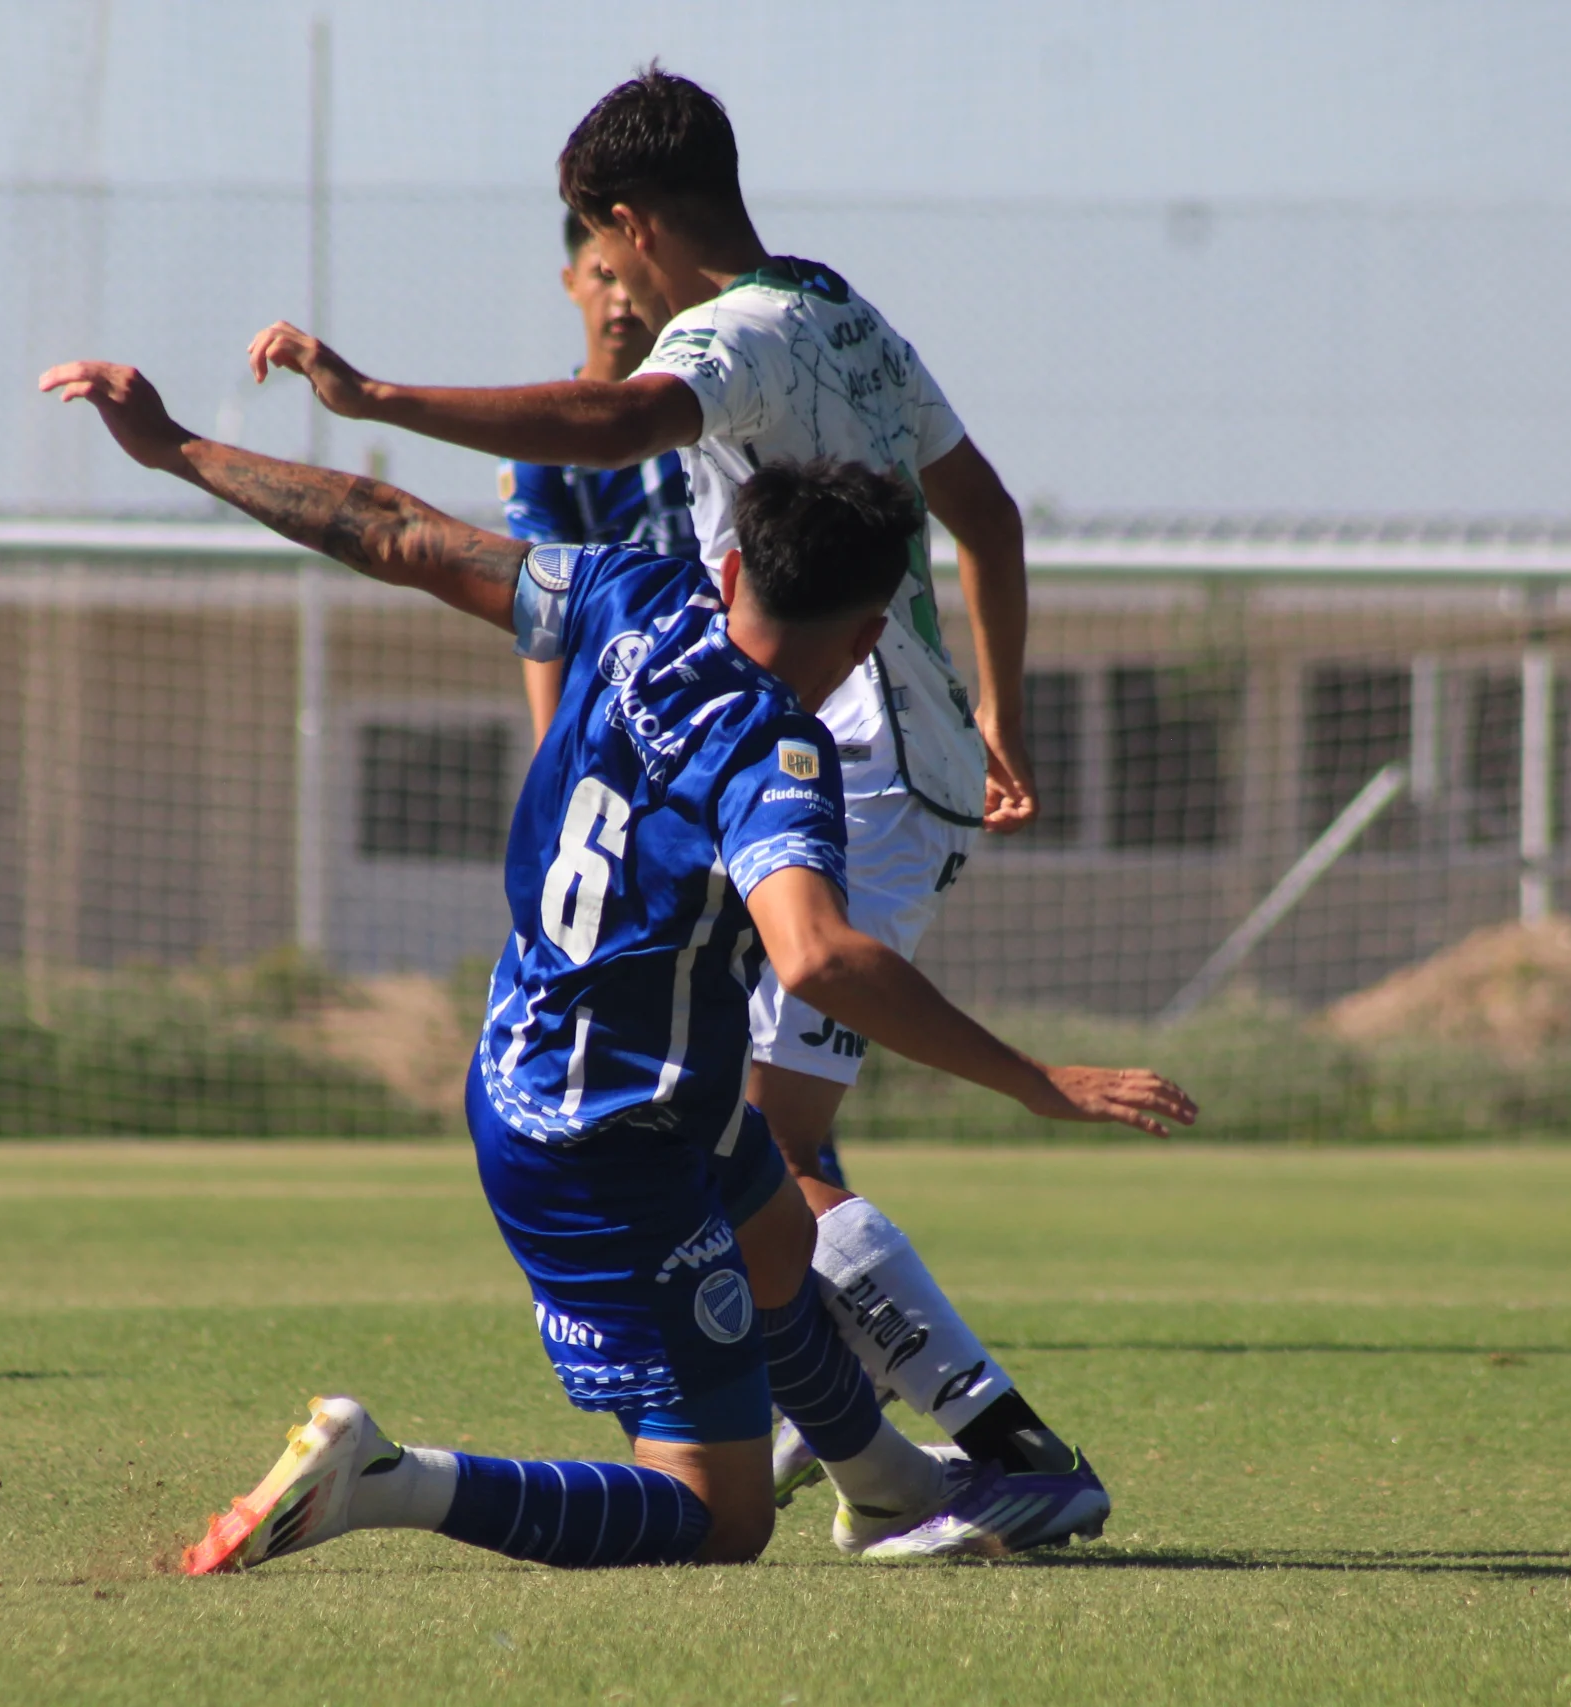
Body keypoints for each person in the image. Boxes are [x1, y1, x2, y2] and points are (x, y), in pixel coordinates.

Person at [36, 354, 1198, 1569]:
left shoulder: (631, 594)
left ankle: (898, 1486)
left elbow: (395, 532)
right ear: (866, 637)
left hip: (597, 1071)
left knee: (776, 1238)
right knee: (720, 1516)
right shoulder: (778, 761)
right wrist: (1035, 1080)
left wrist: (176, 449)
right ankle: (387, 1481)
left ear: (734, 566)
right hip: (598, 1139)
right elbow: (820, 960)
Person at [239, 68, 1106, 1559]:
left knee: (776, 1144)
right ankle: (882, 1469)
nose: (609, 286)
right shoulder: (837, 304)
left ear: (631, 223)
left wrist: (378, 399)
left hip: (844, 766)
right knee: (747, 1159)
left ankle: (1009, 1452)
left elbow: (608, 414)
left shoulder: (723, 336)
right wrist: (1004, 721)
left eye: (602, 251)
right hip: (901, 757)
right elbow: (993, 519)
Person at [503, 210, 697, 742]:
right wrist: (551, 751)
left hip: (715, 689)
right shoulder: (543, 436)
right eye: (602, 275)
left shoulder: (708, 403)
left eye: (629, 274)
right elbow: (544, 604)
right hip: (614, 708)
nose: (620, 297)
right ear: (571, 283)